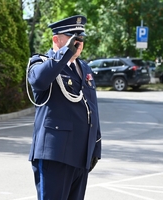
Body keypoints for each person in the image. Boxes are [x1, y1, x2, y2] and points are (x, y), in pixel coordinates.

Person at [26, 15, 102, 200]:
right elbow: (39, 80)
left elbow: (92, 109)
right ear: (55, 39)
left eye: (80, 39)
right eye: (72, 38)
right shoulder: (41, 63)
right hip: (55, 155)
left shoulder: (85, 68)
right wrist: (65, 52)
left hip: (81, 155)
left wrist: (95, 148)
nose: (78, 43)